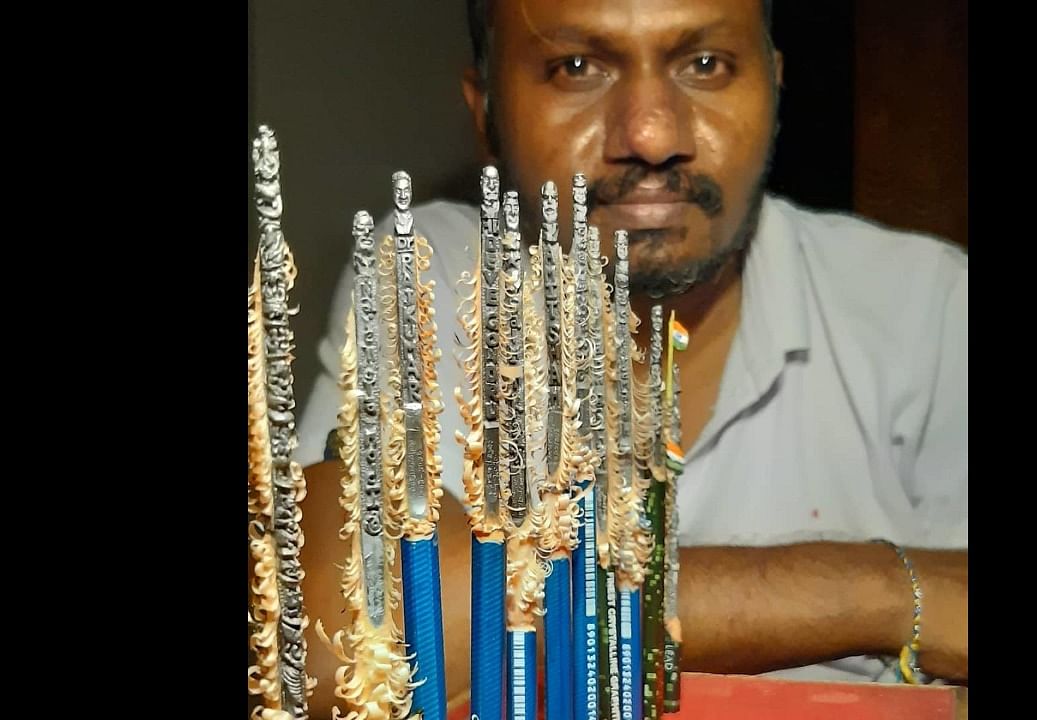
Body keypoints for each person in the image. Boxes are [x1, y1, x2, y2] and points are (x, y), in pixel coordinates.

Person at [291, 0, 967, 709]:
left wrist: (509, 597)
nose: (650, 135)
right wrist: (885, 591)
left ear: (773, 88)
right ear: (486, 110)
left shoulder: (927, 308)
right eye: (576, 67)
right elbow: (350, 637)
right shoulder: (436, 276)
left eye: (705, 65)